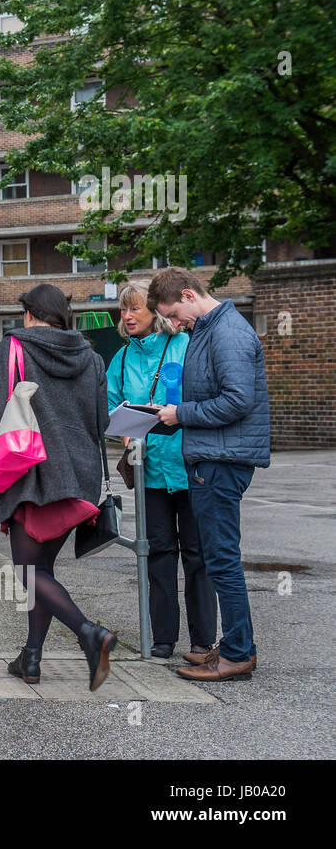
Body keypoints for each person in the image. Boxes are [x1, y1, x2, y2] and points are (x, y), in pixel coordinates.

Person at [0, 284, 119, 691]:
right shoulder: (91, 357)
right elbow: (101, 421)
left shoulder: (16, 346)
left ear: (32, 314)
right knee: (42, 569)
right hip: (80, 477)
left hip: (33, 472)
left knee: (26, 569)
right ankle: (31, 658)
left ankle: (89, 632)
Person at [146, 267, 269, 682]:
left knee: (221, 560)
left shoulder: (227, 332)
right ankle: (235, 645)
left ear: (188, 294)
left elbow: (237, 400)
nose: (175, 325)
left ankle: (237, 654)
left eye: (175, 315)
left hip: (221, 460)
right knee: (219, 559)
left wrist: (180, 414)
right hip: (213, 456)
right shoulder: (211, 329)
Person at [106, 280, 216, 660]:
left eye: (135, 308)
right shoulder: (120, 359)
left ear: (155, 311)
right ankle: (164, 638)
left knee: (198, 555)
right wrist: (125, 434)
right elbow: (111, 410)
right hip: (149, 468)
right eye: (123, 310)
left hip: (189, 466)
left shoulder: (186, 345)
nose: (128, 315)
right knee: (158, 554)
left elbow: (203, 399)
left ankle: (203, 640)